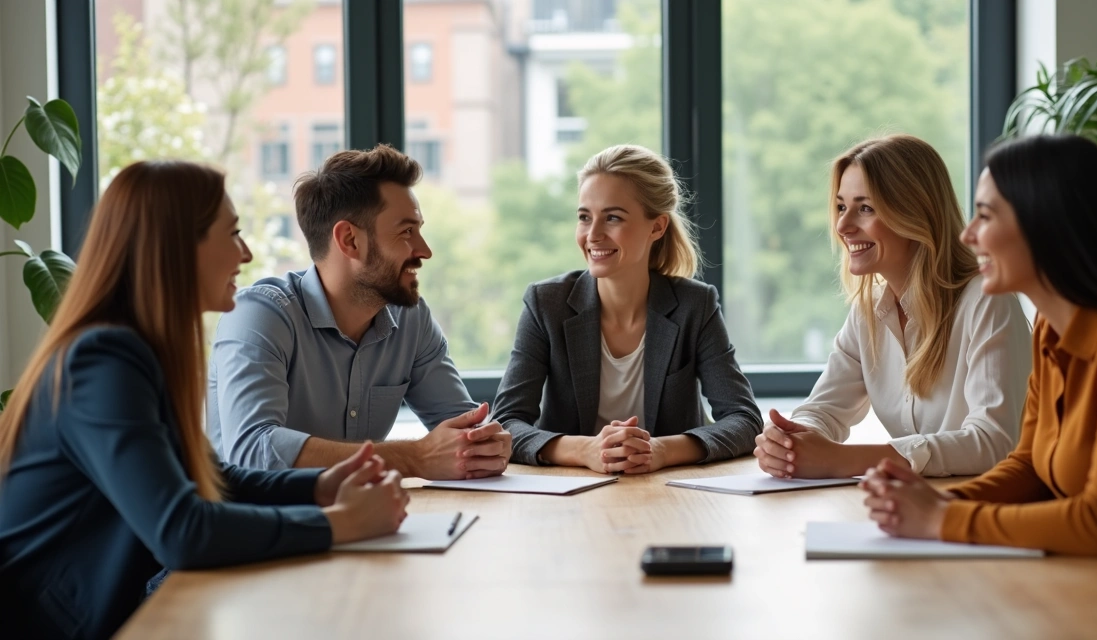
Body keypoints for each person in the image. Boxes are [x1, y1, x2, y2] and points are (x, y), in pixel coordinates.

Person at [0, 161, 408, 639]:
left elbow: (210, 479)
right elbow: (183, 532)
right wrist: (338, 524)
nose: (246, 252)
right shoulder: (103, 361)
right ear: (176, 247)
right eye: (232, 233)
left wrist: (319, 486)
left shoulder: (136, 350)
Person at [861, 135, 1097, 621]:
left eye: (985, 216)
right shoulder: (1052, 327)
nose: (967, 236)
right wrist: (927, 502)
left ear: (1045, 225)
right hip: (1094, 588)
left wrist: (943, 517)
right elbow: (1028, 467)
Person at [207, 144, 511, 479]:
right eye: (407, 232)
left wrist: (487, 445)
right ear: (350, 240)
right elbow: (253, 451)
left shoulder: (411, 320)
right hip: (256, 526)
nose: (424, 250)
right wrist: (414, 458)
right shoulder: (259, 315)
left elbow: (466, 437)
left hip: (364, 518)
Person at [754, 134, 1032, 478]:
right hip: (913, 507)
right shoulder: (868, 311)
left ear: (916, 213)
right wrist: (790, 439)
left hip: (988, 512)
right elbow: (824, 410)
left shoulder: (988, 302)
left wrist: (845, 460)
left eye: (865, 208)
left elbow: (993, 442)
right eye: (841, 206)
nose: (843, 226)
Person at [494, 144, 762, 473]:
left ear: (657, 227)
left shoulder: (696, 305)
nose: (592, 235)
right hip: (569, 497)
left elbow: (744, 420)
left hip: (671, 496)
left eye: (613, 218)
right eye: (584, 217)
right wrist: (586, 450)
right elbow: (506, 423)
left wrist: (661, 450)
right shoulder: (546, 304)